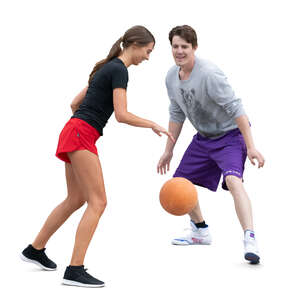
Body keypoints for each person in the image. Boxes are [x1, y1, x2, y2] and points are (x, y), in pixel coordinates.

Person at [21, 25, 174, 288]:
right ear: (135, 45)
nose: (148, 57)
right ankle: (75, 269)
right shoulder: (119, 70)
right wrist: (152, 124)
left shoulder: (105, 66)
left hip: (74, 131)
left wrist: (84, 123)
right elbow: (122, 114)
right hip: (81, 133)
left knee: (76, 198)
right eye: (148, 51)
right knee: (98, 202)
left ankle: (35, 249)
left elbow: (73, 104)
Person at [157, 25, 265, 264]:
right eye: (175, 46)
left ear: (194, 47)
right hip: (204, 138)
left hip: (230, 137)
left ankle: (250, 238)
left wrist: (251, 147)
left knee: (232, 180)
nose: (179, 51)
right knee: (180, 183)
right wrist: (168, 150)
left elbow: (237, 109)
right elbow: (176, 113)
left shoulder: (209, 74)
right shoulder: (170, 78)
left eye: (185, 46)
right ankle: (200, 230)